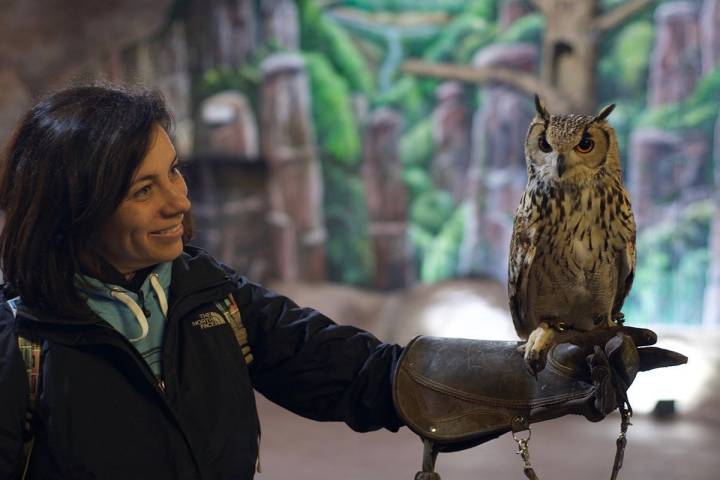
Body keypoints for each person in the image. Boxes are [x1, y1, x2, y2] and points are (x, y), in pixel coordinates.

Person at [0, 85, 682, 480]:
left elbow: (365, 374)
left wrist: (531, 376)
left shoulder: (208, 296)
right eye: (142, 189)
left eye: (174, 171)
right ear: (75, 207)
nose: (179, 202)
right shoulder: (19, 348)